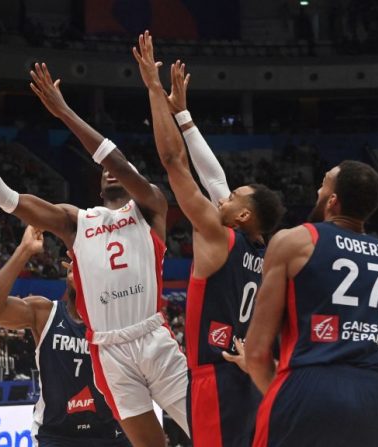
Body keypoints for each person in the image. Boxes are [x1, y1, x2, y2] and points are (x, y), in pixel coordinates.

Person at [0, 59, 189, 446]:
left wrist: (64, 111)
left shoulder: (152, 207)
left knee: (213, 431)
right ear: (98, 183)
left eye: (117, 167)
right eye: (102, 170)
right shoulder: (76, 222)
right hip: (110, 350)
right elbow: (7, 199)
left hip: (154, 338)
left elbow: (113, 158)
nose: (109, 170)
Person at [134, 32, 285, 447]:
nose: (226, 192)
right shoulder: (266, 251)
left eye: (235, 196)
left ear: (242, 215)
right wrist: (183, 115)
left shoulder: (220, 237)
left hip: (214, 379)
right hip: (252, 377)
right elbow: (216, 179)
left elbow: (173, 162)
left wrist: (152, 86)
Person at [245, 161, 378, 446]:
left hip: (310, 386)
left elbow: (257, 353)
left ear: (332, 201)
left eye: (323, 183)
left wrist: (286, 397)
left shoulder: (295, 241)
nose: (318, 190)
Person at [0, 226, 129, 446]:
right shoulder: (44, 313)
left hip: (110, 432)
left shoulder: (115, 319)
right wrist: (24, 251)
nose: (76, 272)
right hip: (56, 435)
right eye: (72, 269)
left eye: (84, 267)